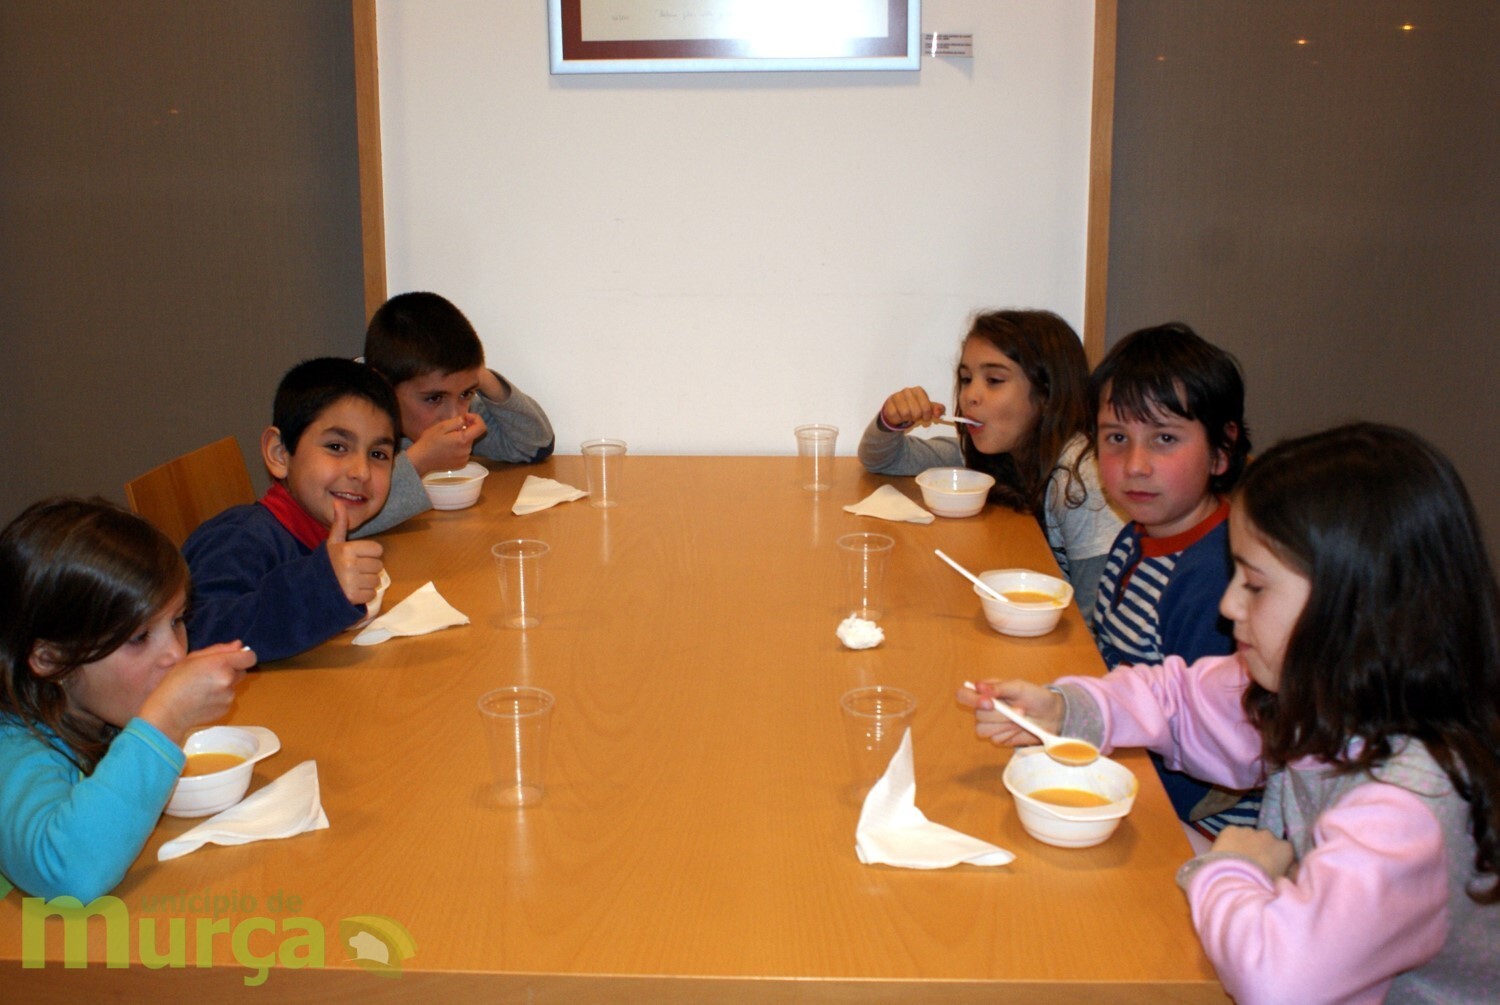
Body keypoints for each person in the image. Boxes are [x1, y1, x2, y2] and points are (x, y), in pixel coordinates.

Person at [960, 423, 1500, 1004]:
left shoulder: (1409, 808)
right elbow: (1177, 699)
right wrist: (1066, 709)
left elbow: (1281, 984)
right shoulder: (1309, 691)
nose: (1228, 603)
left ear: (1359, 609)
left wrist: (1229, 870)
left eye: (1256, 586)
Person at [0, 499, 253, 901]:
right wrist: (166, 718)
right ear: (52, 659)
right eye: (139, 637)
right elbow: (69, 873)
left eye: (177, 620)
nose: (176, 653)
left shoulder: (98, 707)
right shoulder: (14, 748)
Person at [1089, 322, 1258, 836]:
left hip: (1204, 824)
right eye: (1117, 438)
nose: (1135, 465)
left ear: (1221, 450)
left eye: (1164, 438)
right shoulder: (1137, 534)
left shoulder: (1215, 577)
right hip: (1134, 769)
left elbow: (1215, 759)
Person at [858, 309, 1122, 622]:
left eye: (994, 380)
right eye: (966, 379)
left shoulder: (1081, 479)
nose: (970, 395)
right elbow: (883, 459)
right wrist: (891, 421)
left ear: (1047, 394)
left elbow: (1098, 618)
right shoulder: (991, 452)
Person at [183, 358, 397, 663]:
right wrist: (322, 587)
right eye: (337, 447)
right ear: (279, 454)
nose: (361, 472)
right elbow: (197, 637)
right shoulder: (239, 538)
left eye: (378, 454)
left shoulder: (317, 532)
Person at [356, 291, 554, 536]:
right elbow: (336, 523)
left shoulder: (447, 401)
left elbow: (535, 446)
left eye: (466, 394)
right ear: (383, 386)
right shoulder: (341, 427)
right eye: (434, 398)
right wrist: (419, 461)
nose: (454, 417)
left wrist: (477, 375)